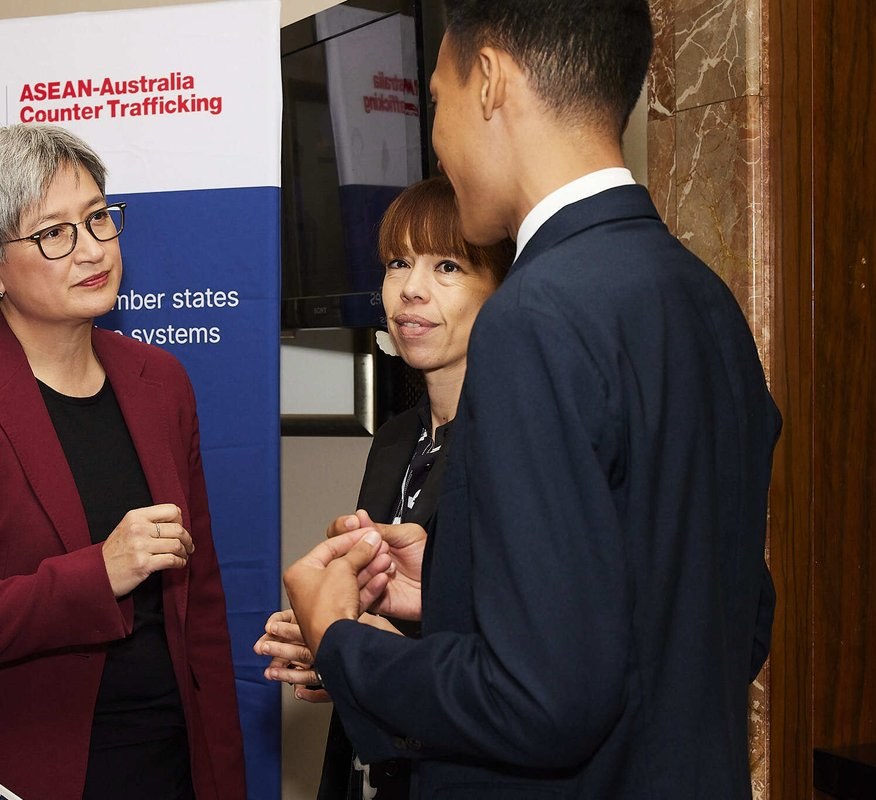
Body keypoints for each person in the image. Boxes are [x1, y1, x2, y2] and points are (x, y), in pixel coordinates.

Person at [281, 1, 782, 798]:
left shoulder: (533, 315)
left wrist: (341, 640)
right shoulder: (706, 301)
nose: (439, 147)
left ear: (488, 83)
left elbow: (542, 700)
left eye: (437, 103)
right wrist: (451, 581)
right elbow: (728, 615)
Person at [0, 124, 245, 800]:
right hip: (21, 765)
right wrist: (97, 576)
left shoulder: (160, 381)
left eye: (99, 218)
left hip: (166, 757)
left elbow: (201, 603)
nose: (93, 249)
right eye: (53, 234)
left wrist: (220, 769)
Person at [255, 176, 513, 800]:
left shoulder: (514, 441)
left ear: (504, 290)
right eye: (399, 263)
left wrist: (349, 643)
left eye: (447, 266)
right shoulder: (398, 436)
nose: (411, 289)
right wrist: (331, 648)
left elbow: (517, 662)